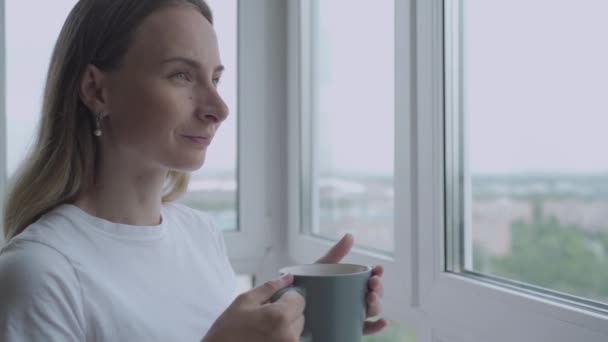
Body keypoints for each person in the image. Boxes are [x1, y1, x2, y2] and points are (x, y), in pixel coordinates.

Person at [0, 0, 387, 341]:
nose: (218, 108)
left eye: (215, 78)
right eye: (181, 75)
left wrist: (298, 316)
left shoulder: (201, 235)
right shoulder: (40, 273)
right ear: (96, 90)